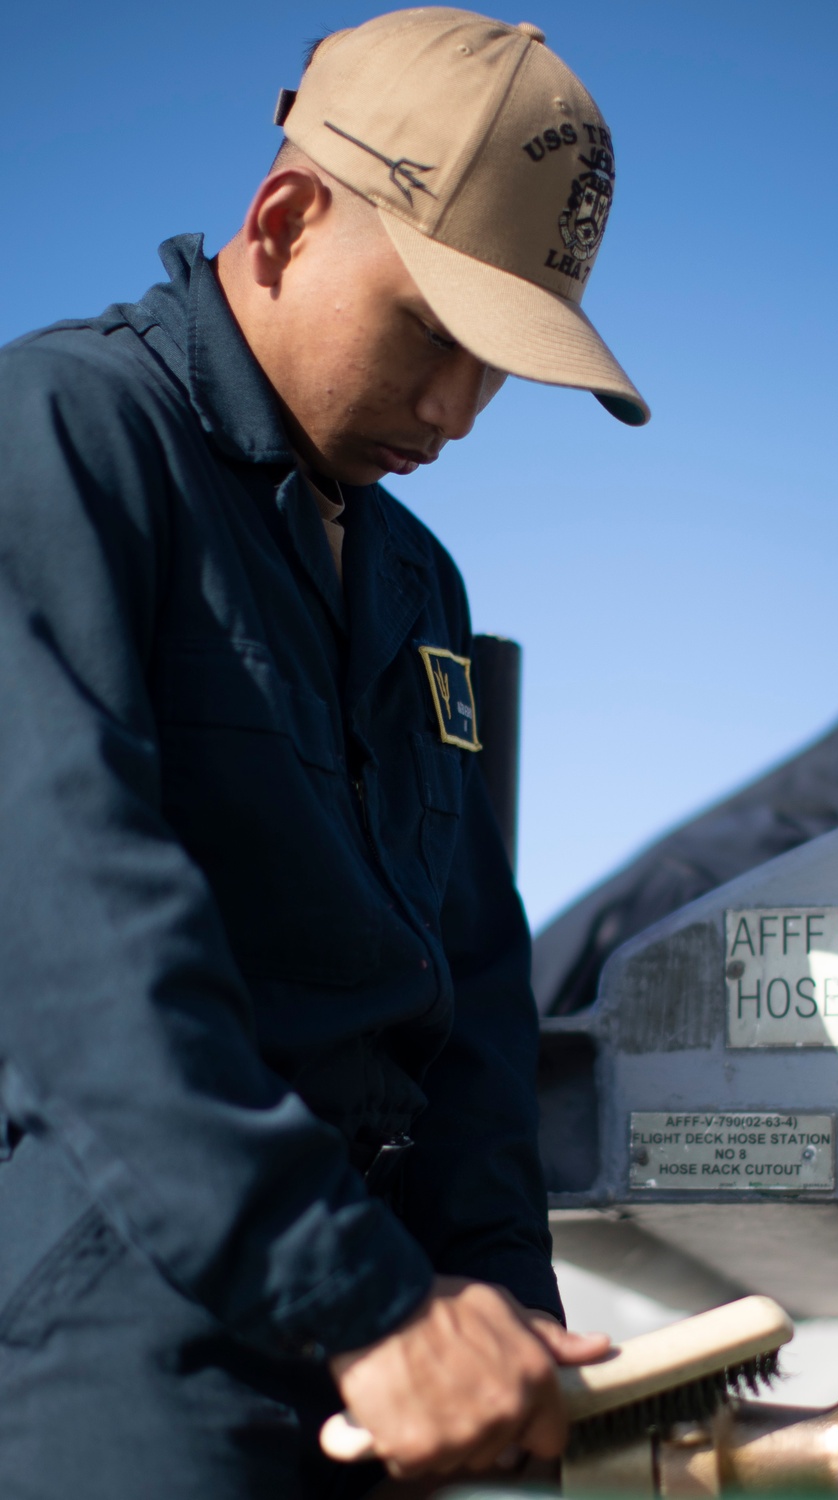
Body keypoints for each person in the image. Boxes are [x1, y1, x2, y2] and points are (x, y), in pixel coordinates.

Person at [0, 9, 649, 1499]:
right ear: (284, 221)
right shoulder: (64, 440)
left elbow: (473, 978)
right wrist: (358, 1298)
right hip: (127, 1340)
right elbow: (70, 935)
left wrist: (509, 1316)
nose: (457, 414)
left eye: (499, 369)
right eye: (433, 336)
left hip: (397, 1353)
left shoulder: (421, 587)